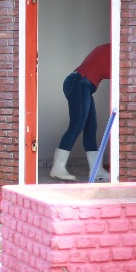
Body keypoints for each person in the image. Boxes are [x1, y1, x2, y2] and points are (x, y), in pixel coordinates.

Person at [50, 43, 110, 182]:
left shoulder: (110, 49)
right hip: (79, 82)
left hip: (83, 84)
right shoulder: (115, 51)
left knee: (90, 128)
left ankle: (97, 170)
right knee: (77, 125)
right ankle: (57, 168)